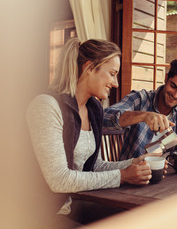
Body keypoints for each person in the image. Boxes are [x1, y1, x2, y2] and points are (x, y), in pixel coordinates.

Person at [26, 38, 160, 227]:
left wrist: (134, 164)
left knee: (139, 218)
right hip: (38, 214)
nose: (115, 83)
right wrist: (122, 176)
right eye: (112, 74)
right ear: (90, 68)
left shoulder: (93, 109)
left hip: (70, 205)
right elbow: (59, 180)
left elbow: (93, 165)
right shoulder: (47, 106)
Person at [103, 56, 177, 161]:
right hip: (132, 174)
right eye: (173, 86)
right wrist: (143, 116)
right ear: (166, 78)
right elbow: (104, 117)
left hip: (169, 177)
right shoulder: (140, 99)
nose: (176, 95)